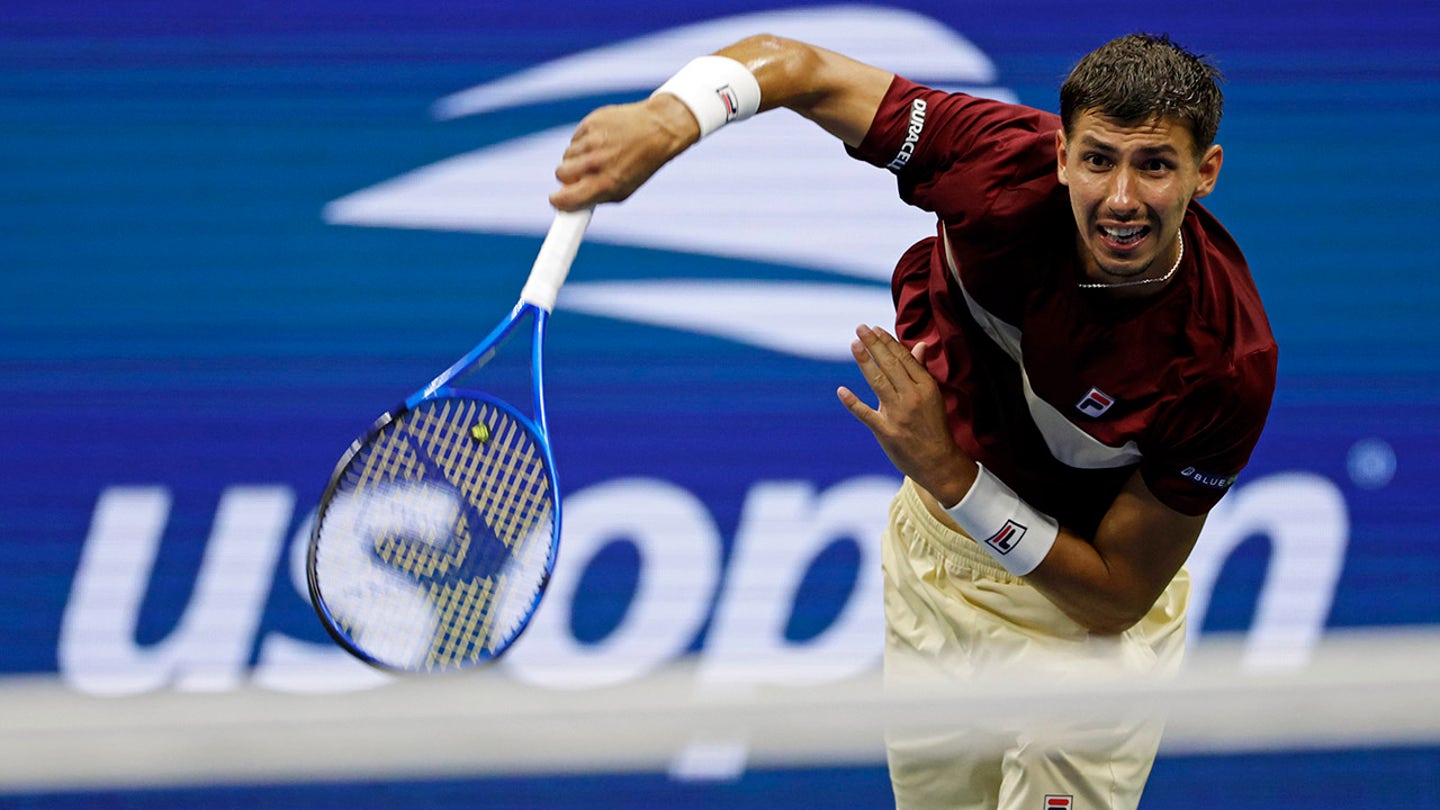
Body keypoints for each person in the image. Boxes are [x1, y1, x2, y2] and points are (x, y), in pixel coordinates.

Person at [550, 30, 1277, 810]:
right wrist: (670, 120)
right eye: (1099, 159)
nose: (1123, 198)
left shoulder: (1224, 362)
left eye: (1155, 165)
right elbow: (801, 68)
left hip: (1083, 630)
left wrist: (953, 476)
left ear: (1206, 173)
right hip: (937, 566)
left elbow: (1116, 597)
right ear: (1061, 155)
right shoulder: (994, 162)